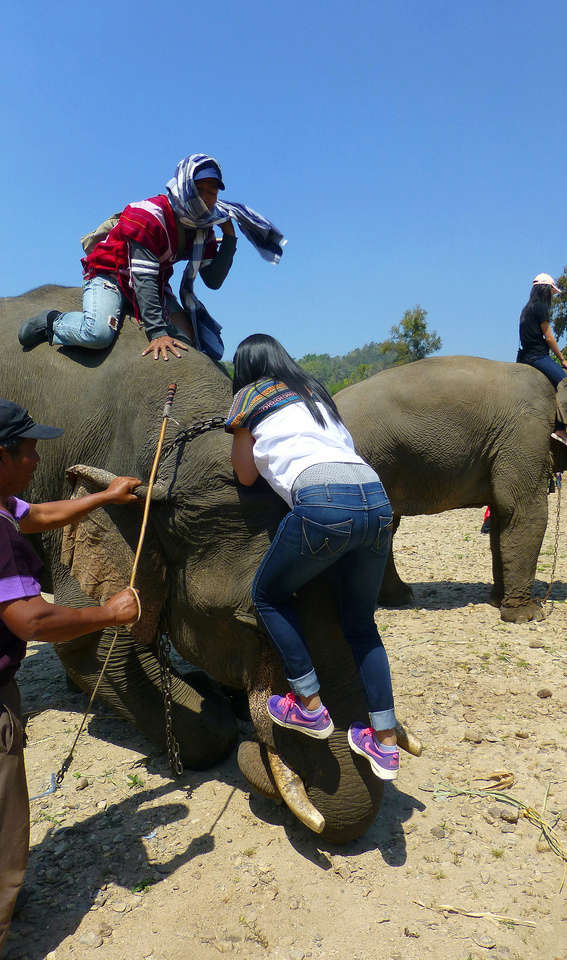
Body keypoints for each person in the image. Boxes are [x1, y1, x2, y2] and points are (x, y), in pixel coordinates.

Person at [0, 399, 141, 953]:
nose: (38, 456)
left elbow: (35, 514)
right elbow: (31, 619)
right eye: (28, 447)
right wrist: (110, 613)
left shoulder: (6, 511)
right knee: (6, 836)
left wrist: (103, 498)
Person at [225, 334, 399, 781]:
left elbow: (244, 475)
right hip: (377, 500)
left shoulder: (249, 395)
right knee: (361, 624)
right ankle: (384, 740)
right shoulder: (315, 393)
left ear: (245, 367)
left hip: (322, 502)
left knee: (267, 595)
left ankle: (307, 704)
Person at [18, 154, 284, 363]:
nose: (206, 197)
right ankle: (51, 322)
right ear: (184, 185)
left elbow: (212, 281)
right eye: (199, 188)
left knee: (192, 339)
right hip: (112, 275)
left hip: (156, 283)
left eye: (212, 192)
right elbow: (142, 276)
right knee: (97, 333)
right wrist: (157, 332)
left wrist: (229, 238)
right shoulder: (149, 216)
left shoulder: (202, 228)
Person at [515, 273, 567, 449]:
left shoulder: (527, 308)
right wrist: (563, 360)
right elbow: (549, 337)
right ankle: (560, 429)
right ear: (545, 289)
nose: (553, 294)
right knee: (565, 384)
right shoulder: (541, 307)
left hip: (524, 357)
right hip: (537, 356)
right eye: (552, 290)